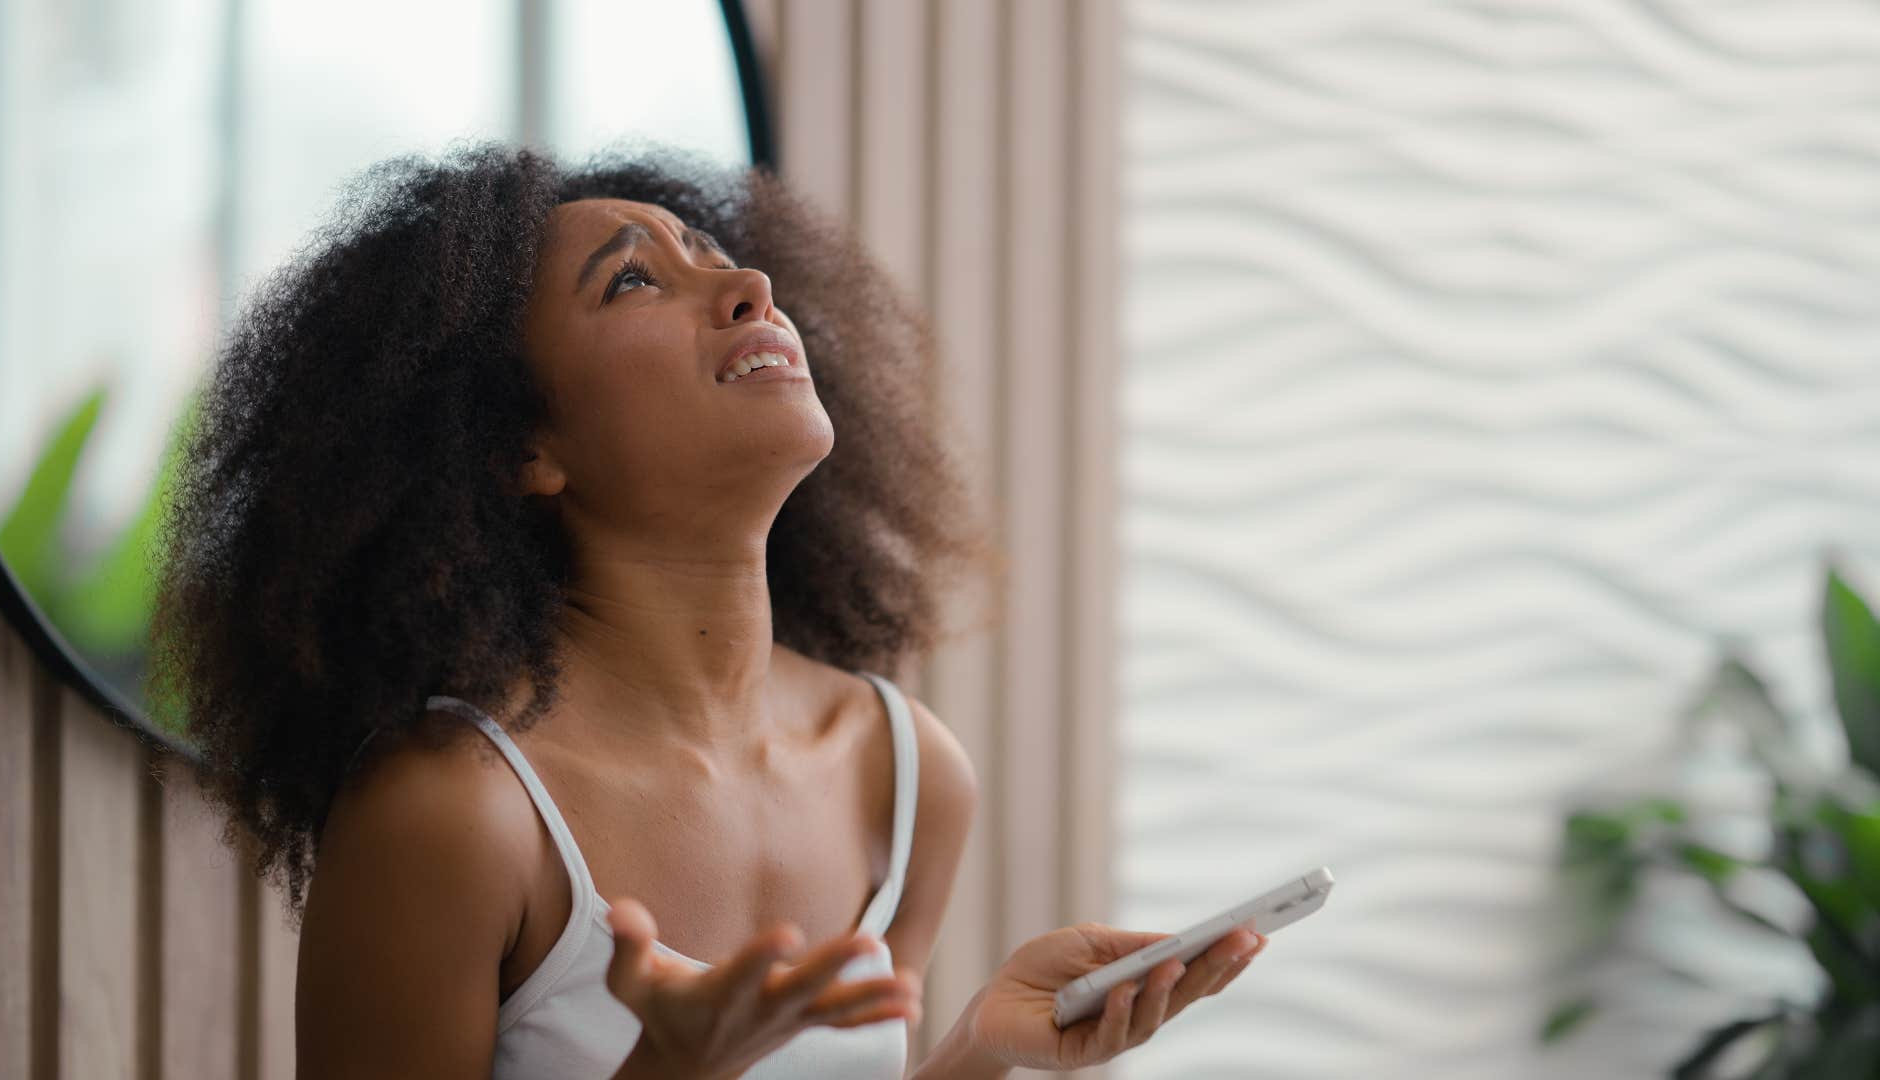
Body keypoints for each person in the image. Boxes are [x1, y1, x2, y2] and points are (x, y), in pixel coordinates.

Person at [147, 141, 1267, 1079]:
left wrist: (987, 1043)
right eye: (634, 280)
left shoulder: (905, 773)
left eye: (722, 259)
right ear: (517, 447)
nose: (748, 291)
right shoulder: (452, 813)